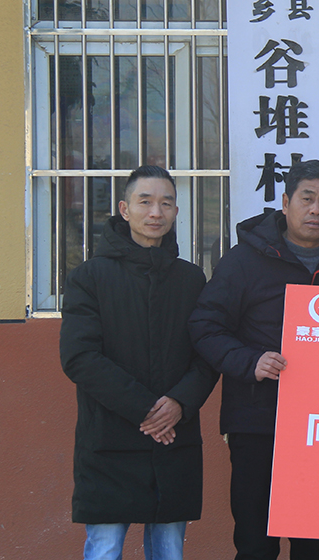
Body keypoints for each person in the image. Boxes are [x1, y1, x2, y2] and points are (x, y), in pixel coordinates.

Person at [190, 160, 319, 560]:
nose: (316, 209)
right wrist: (250, 362)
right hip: (258, 420)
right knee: (256, 541)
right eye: (307, 198)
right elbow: (204, 326)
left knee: (316, 542)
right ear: (285, 203)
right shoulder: (243, 260)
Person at [60, 165, 218, 560]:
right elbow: (80, 357)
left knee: (169, 551)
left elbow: (207, 353)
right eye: (145, 202)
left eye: (166, 203)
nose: (155, 213)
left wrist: (179, 403)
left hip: (174, 439)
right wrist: (148, 409)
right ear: (124, 209)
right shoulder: (89, 277)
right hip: (110, 440)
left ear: (176, 211)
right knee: (105, 548)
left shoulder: (191, 280)